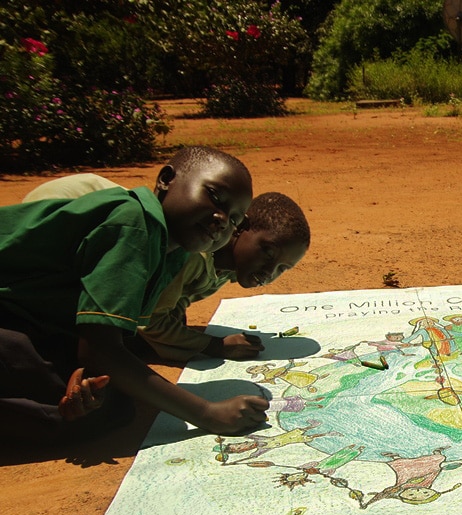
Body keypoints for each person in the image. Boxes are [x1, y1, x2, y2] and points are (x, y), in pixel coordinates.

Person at [1, 146, 269, 446]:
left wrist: (84, 376)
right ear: (166, 179)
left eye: (234, 220)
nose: (221, 219)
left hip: (30, 322)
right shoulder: (134, 223)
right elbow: (100, 350)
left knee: (107, 402)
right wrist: (206, 411)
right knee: (82, 415)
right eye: (215, 197)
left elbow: (100, 340)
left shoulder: (174, 251)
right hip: (11, 319)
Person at [136, 191, 310, 361]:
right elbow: (149, 321)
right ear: (241, 227)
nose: (270, 272)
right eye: (268, 252)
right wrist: (216, 345)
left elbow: (182, 292)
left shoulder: (231, 266)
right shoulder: (195, 254)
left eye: (282, 268)